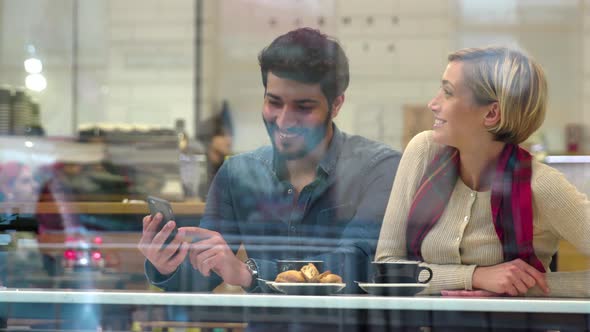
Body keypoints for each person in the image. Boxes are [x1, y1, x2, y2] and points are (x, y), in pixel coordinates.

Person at [139, 27, 401, 297]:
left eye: (304, 107)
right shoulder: (238, 174)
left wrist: (250, 272)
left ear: (336, 105)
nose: (284, 120)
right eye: (274, 102)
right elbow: (202, 275)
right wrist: (166, 265)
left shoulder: (380, 168)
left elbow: (355, 263)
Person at [375, 46, 590, 297]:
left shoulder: (542, 185)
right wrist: (475, 277)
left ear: (491, 113)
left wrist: (529, 286)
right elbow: (386, 270)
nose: (433, 104)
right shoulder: (423, 152)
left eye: (448, 92)